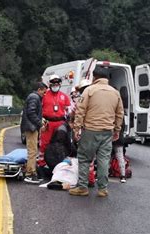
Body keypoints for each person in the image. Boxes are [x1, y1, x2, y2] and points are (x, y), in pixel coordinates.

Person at [69, 66, 124, 197]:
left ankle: (82, 187)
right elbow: (119, 114)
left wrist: (77, 129)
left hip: (90, 131)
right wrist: (117, 130)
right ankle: (102, 189)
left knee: (84, 158)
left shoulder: (89, 90)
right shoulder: (115, 93)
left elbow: (80, 111)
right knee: (104, 160)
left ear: (95, 77)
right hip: (107, 131)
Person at [38, 75, 70, 175]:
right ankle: (42, 164)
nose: (55, 85)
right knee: (44, 143)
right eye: (53, 83)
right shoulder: (44, 95)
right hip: (47, 122)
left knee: (61, 143)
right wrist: (41, 121)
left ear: (60, 84)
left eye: (57, 83)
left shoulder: (64, 96)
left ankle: (60, 163)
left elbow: (69, 110)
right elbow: (39, 110)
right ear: (50, 84)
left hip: (60, 123)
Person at [20, 82, 48, 184]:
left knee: (32, 150)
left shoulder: (34, 97)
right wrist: (40, 124)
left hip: (31, 127)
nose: (44, 94)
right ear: (39, 89)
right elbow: (31, 112)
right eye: (44, 92)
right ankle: (30, 174)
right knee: (32, 151)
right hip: (31, 128)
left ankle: (31, 172)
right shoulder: (34, 97)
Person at [112, 118, 127, 183]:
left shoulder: (110, 112)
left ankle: (103, 175)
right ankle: (123, 176)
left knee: (105, 157)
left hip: (110, 137)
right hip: (119, 138)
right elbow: (123, 127)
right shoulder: (121, 116)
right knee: (120, 157)